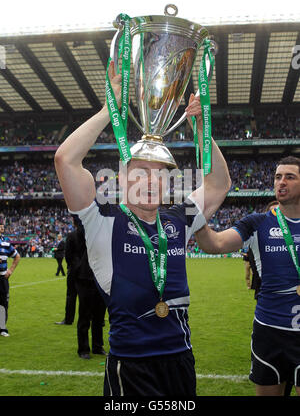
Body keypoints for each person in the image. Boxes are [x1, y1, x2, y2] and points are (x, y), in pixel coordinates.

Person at [54, 61, 231, 396]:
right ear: (121, 179)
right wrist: (110, 108)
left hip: (181, 361)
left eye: (159, 173)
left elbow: (219, 184)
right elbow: (66, 160)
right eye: (139, 171)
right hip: (130, 366)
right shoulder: (101, 220)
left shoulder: (179, 219)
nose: (150, 180)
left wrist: (200, 128)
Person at [195, 156, 300, 396]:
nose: (281, 182)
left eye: (290, 177)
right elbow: (215, 244)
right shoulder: (258, 223)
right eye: (277, 177)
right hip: (269, 331)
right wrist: (198, 219)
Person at [73, 224, 106, 359]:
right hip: (85, 278)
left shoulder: (106, 233)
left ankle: (98, 347)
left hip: (101, 279)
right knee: (85, 315)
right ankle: (83, 349)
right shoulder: (85, 230)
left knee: (99, 316)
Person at [0, 221, 21, 337]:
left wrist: (11, 270)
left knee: (3, 304)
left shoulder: (6, 244)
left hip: (2, 278)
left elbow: (17, 256)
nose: (2, 228)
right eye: (0, 227)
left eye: (3, 227)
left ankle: (2, 328)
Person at [55, 226, 78, 325]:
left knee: (71, 295)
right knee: (86, 296)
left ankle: (69, 319)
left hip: (74, 269)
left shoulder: (72, 235)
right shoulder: (90, 234)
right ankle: (88, 317)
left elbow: (68, 254)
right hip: (87, 269)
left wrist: (70, 265)